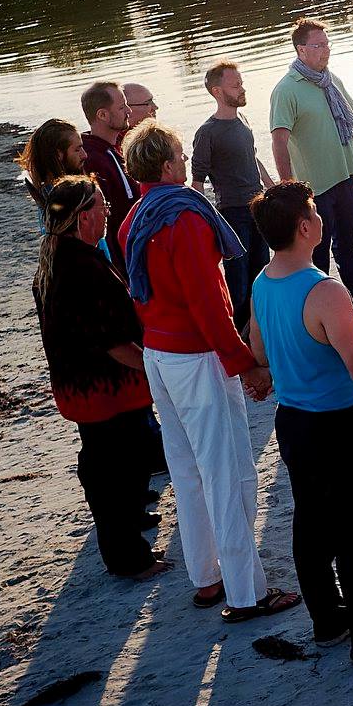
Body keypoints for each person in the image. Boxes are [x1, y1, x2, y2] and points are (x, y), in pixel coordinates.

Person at [120, 121, 300, 624]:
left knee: (186, 470)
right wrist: (244, 365)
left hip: (158, 353)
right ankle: (246, 592)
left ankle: (206, 577)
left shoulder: (135, 217)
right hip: (194, 357)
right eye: (179, 154)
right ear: (167, 164)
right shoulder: (184, 219)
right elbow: (209, 305)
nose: (184, 163)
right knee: (227, 471)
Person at [249, 181, 353, 665]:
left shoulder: (262, 283)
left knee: (312, 520)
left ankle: (327, 619)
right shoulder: (325, 290)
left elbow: (258, 351)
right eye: (315, 213)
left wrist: (266, 374)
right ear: (305, 228)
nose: (322, 219)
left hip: (295, 422)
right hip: (340, 423)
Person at [31, 174, 168, 580]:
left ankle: (126, 536)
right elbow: (112, 343)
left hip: (82, 388)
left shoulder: (61, 255)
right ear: (81, 218)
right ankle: (128, 557)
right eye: (101, 206)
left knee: (109, 465)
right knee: (116, 470)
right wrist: (156, 368)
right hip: (103, 390)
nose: (108, 212)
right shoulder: (79, 268)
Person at [270, 18, 353, 314]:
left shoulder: (330, 78)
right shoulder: (286, 90)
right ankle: (319, 305)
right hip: (315, 185)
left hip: (346, 174)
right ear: (301, 50)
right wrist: (287, 186)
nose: (326, 50)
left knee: (349, 240)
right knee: (317, 249)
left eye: (327, 44)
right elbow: (279, 140)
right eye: (318, 45)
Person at [191, 60, 274, 336]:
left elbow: (252, 157)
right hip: (232, 214)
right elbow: (197, 182)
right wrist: (201, 223)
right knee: (238, 281)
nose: (242, 88)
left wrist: (272, 187)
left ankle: (260, 332)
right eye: (235, 85)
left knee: (261, 274)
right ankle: (240, 336)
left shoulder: (243, 120)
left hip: (258, 209)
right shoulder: (207, 132)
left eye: (241, 83)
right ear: (217, 91)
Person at [79, 80, 138, 268]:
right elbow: (104, 221)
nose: (129, 111)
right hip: (123, 261)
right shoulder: (92, 160)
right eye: (122, 107)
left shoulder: (116, 149)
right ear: (102, 115)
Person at [18, 117, 86, 229]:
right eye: (77, 150)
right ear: (58, 154)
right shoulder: (59, 202)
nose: (84, 155)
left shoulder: (48, 197)